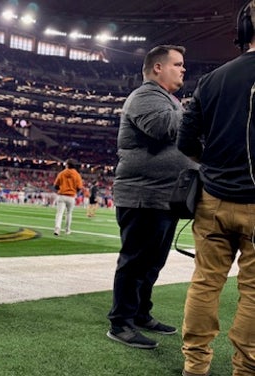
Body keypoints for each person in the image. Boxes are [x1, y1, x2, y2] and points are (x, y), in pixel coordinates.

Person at [177, 2, 255, 374]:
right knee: (254, 293)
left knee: (205, 283)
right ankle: (246, 368)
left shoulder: (213, 78)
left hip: (212, 199)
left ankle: (195, 365)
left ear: (242, 33)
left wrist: (216, 162)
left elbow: (186, 139)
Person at [106, 45, 195, 349]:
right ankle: (120, 323)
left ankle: (141, 313)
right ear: (158, 68)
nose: (183, 69)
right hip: (142, 194)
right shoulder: (145, 95)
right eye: (177, 64)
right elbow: (160, 128)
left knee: (152, 262)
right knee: (135, 261)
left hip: (163, 196)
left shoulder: (168, 100)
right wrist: (196, 111)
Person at [52, 158, 83, 236]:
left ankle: (57, 229)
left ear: (67, 165)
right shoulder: (77, 174)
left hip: (62, 195)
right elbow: (79, 187)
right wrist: (74, 191)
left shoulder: (62, 173)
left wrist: (61, 189)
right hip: (71, 196)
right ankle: (67, 230)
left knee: (59, 213)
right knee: (69, 213)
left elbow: (55, 186)